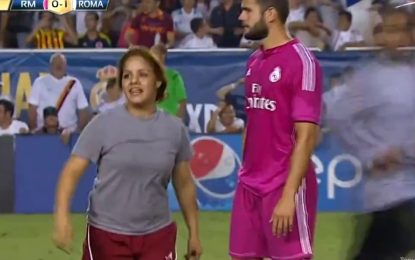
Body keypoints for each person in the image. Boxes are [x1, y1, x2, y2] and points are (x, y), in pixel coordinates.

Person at [52, 47, 202, 260]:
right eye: (127, 76)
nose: (134, 81)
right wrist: (61, 217)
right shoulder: (103, 124)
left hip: (158, 236)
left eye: (142, 75)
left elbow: (184, 183)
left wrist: (194, 233)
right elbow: (71, 172)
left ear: (158, 81)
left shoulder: (174, 129)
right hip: (107, 235)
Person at [230, 0, 323, 258]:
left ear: (270, 14)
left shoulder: (303, 63)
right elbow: (252, 122)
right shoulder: (254, 62)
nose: (241, 16)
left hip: (283, 185)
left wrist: (289, 195)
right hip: (249, 186)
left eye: (247, 10)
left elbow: (306, 136)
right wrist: (244, 173)